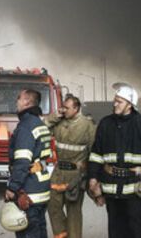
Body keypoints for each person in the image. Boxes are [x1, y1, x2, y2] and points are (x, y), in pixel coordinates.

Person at [87, 82, 141, 238]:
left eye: (119, 101)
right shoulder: (105, 124)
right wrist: (93, 178)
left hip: (134, 188)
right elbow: (96, 154)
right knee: (115, 229)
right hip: (111, 187)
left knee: (134, 228)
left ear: (130, 104)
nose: (115, 104)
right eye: (115, 100)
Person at [44, 94, 96, 238]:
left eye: (67, 108)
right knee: (53, 205)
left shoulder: (87, 126)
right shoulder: (59, 123)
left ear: (76, 108)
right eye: (63, 107)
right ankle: (61, 235)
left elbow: (94, 152)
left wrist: (92, 177)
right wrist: (55, 115)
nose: (64, 110)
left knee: (73, 211)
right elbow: (43, 128)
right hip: (59, 172)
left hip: (76, 175)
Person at [6, 88, 54, 238]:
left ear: (26, 101)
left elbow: (22, 162)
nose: (17, 102)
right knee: (39, 229)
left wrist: (12, 188)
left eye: (19, 98)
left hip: (29, 190)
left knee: (28, 232)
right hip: (41, 188)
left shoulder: (26, 126)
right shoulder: (39, 123)